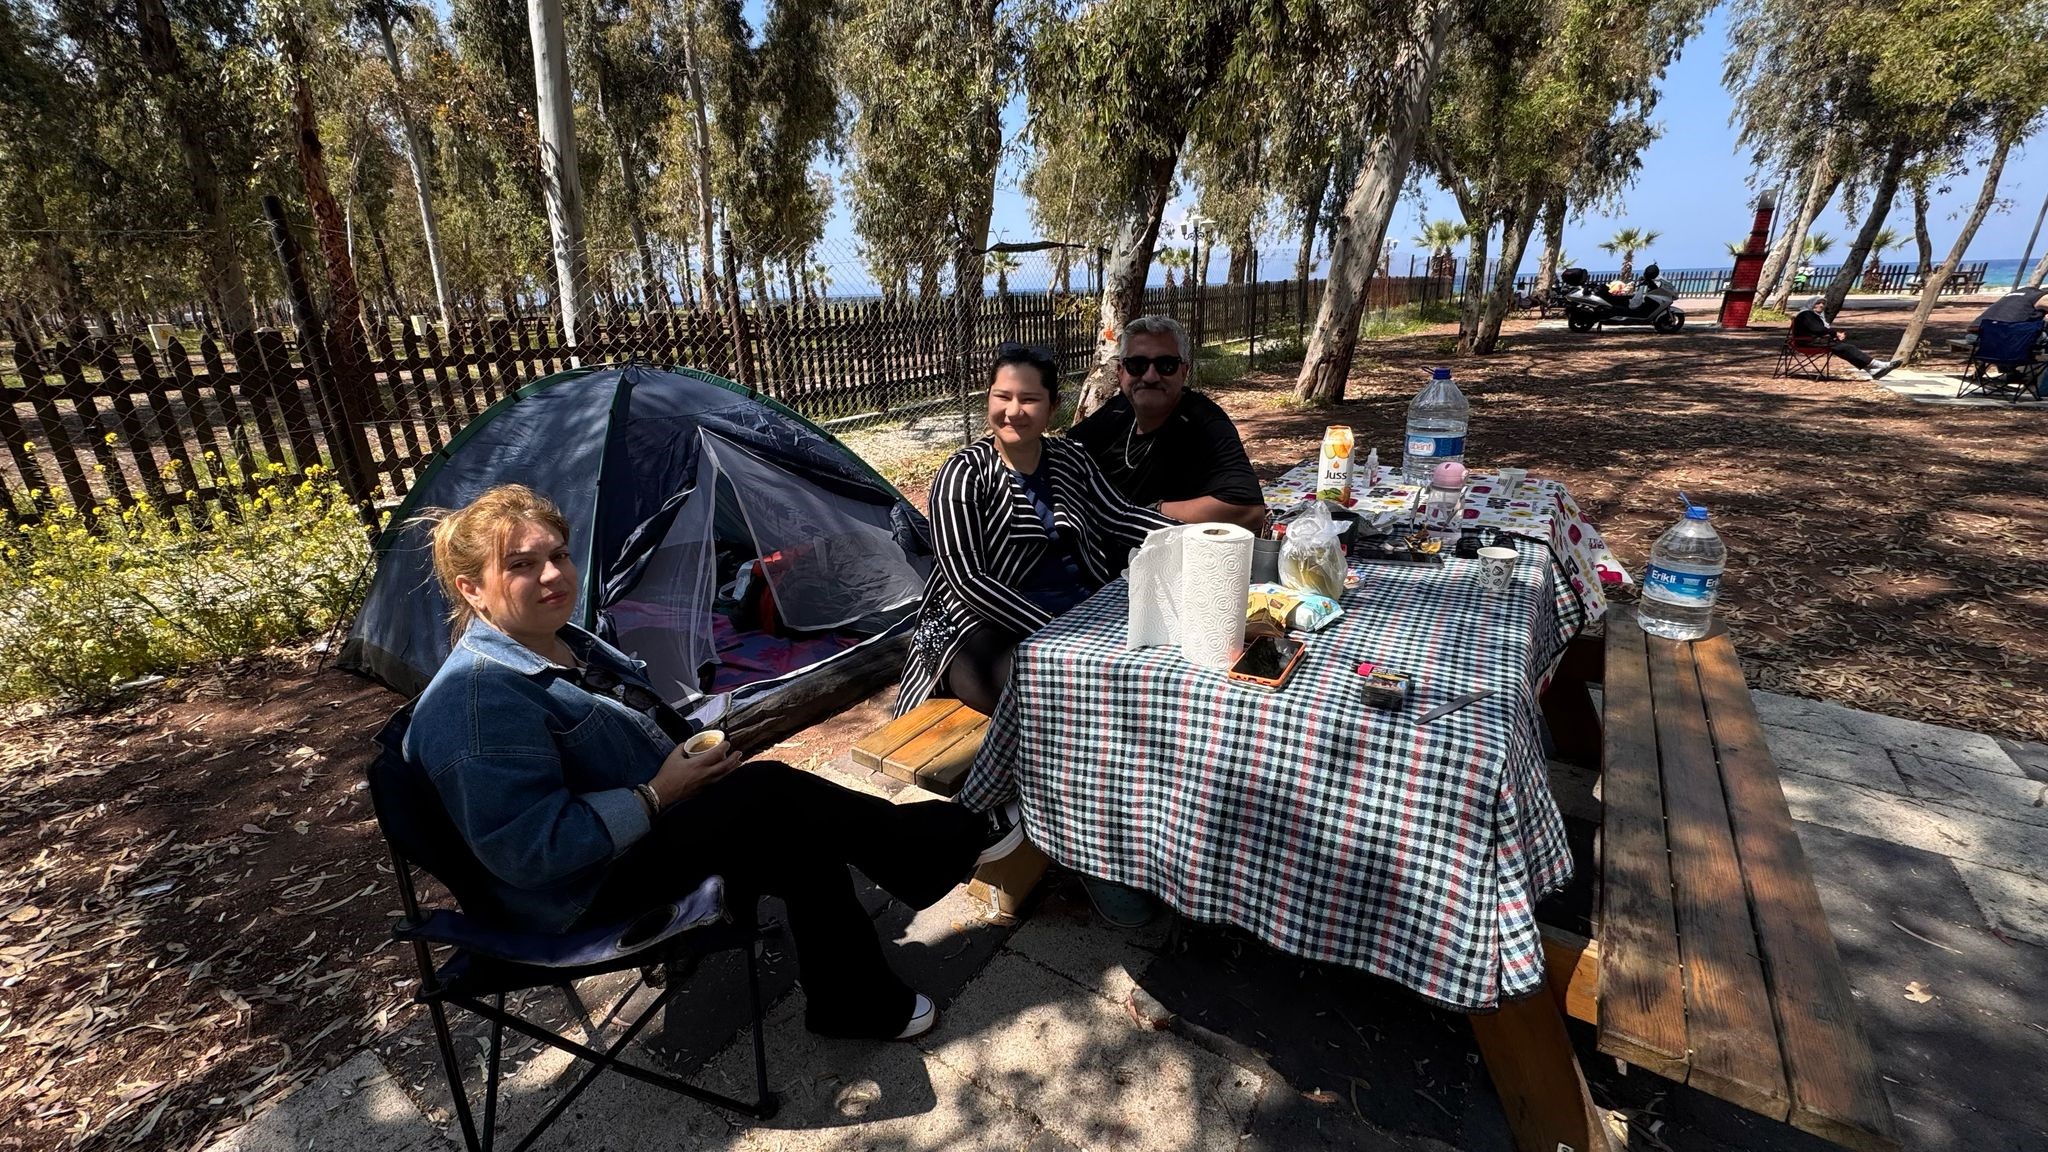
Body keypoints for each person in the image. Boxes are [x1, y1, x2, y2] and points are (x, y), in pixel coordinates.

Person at [404, 484, 1024, 1042]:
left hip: (638, 836)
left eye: (558, 555)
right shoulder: (477, 704)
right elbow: (533, 852)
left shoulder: (560, 639)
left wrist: (686, 759)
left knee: (796, 834)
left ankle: (851, 1000)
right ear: (472, 588)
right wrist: (658, 793)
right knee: (767, 791)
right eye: (521, 565)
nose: (551, 574)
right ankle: (931, 846)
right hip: (579, 894)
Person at [898, 345, 1175, 928]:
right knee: (1069, 702)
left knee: (1151, 682)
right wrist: (1054, 632)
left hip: (1078, 620)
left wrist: (1198, 540)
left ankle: (1128, 839)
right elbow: (965, 580)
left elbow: (1121, 517)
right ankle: (1051, 839)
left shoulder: (1069, 461)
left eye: (1029, 398)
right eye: (1003, 397)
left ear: (1053, 405)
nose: (1014, 411)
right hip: (977, 633)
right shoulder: (962, 475)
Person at [1067, 315, 1268, 531]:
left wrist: (1151, 512)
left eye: (1166, 365)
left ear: (1184, 371)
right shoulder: (1117, 410)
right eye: (1137, 364)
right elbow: (1066, 455)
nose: (1151, 376)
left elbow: (1249, 510)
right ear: (1120, 372)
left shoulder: (1204, 423)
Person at [1793, 296, 1896, 379]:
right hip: (1806, 342)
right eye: (1818, 303)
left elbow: (1819, 330)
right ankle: (1877, 364)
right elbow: (1818, 329)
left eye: (1823, 304)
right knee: (1847, 348)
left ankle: (1871, 370)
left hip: (1813, 341)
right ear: (1811, 304)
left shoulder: (1814, 316)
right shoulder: (1806, 314)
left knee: (1842, 349)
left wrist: (1834, 335)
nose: (1821, 305)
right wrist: (1835, 334)